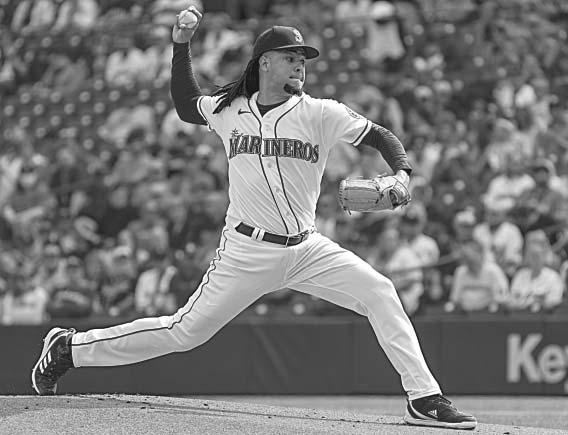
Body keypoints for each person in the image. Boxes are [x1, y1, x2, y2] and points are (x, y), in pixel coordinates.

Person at [31, 6, 476, 430]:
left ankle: (424, 398)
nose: (300, 65)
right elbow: (187, 105)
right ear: (265, 62)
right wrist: (181, 44)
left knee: (379, 291)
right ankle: (70, 348)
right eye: (290, 57)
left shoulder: (320, 113)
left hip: (306, 248)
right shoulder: (230, 110)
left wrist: (402, 174)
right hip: (246, 250)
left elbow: (380, 136)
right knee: (185, 332)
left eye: (303, 59)